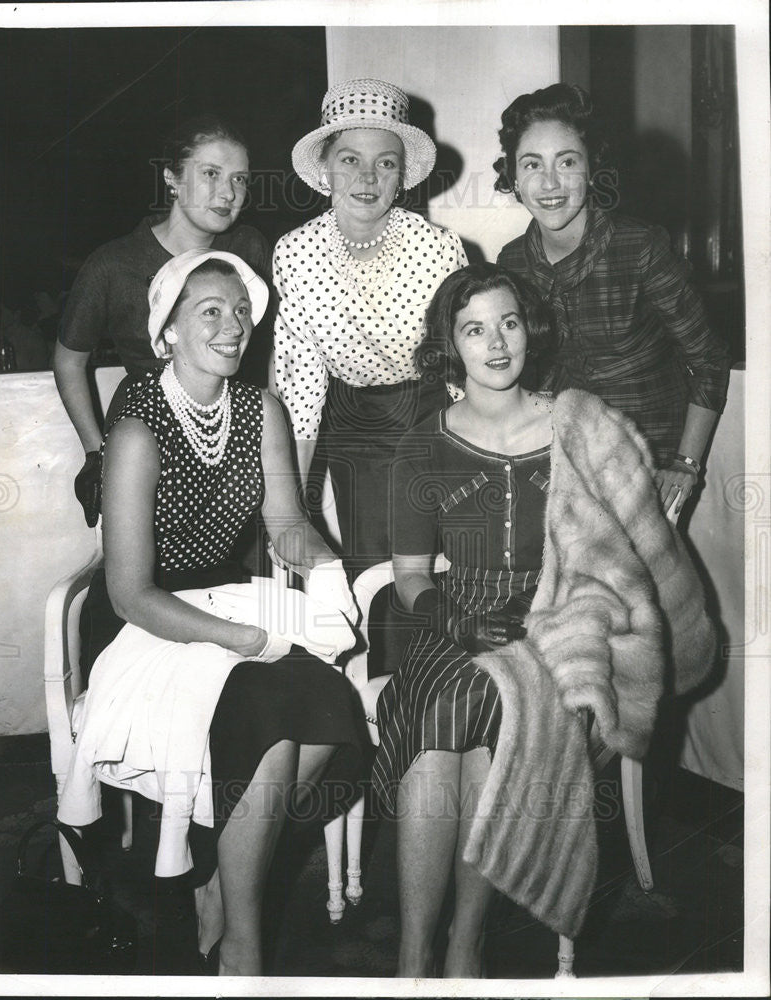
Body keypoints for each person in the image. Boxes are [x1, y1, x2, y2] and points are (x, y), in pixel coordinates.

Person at [57, 249, 365, 977]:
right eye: (210, 313)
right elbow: (131, 591)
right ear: (166, 333)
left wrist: (324, 569)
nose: (232, 329)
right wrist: (243, 639)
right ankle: (242, 950)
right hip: (147, 618)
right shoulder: (134, 430)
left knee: (326, 702)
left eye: (240, 313)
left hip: (230, 593)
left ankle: (222, 886)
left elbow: (287, 520)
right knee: (272, 708)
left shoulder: (262, 411)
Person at [370, 263, 555, 978]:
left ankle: (463, 940)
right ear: (453, 344)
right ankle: (425, 947)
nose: (497, 343)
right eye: (475, 329)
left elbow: (608, 557)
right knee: (453, 698)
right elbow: (410, 576)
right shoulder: (425, 443)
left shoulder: (572, 424)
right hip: (454, 619)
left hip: (552, 621)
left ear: (528, 329)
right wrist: (456, 619)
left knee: (483, 699)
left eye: (508, 323)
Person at [494, 83, 731, 516]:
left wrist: (686, 464)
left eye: (567, 161)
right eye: (531, 164)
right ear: (513, 176)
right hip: (559, 464)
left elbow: (709, 359)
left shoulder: (640, 246)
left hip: (651, 467)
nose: (549, 183)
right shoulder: (511, 261)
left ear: (591, 169)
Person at [273, 77, 468, 576]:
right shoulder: (294, 254)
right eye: (349, 159)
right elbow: (302, 387)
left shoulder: (439, 248)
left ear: (402, 177)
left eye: (386, 162)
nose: (367, 177)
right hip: (353, 422)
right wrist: (289, 512)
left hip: (433, 414)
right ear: (325, 169)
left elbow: (460, 368)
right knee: (375, 569)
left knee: (450, 559)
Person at [53, 113, 270, 527]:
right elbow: (68, 360)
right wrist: (95, 451)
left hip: (228, 429)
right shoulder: (114, 263)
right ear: (171, 178)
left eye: (240, 179)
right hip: (148, 436)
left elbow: (273, 347)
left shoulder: (248, 247)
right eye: (211, 173)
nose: (228, 193)